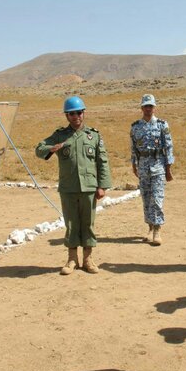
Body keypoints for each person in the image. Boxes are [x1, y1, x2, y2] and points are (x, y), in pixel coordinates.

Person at [35, 96, 112, 275]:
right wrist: (51, 149)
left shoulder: (94, 136)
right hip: (68, 188)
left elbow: (102, 161)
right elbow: (39, 149)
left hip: (89, 188)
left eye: (78, 112)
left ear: (83, 113)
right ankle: (72, 260)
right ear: (66, 116)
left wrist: (103, 186)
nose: (76, 116)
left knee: (88, 224)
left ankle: (88, 259)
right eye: (71, 113)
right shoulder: (60, 135)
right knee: (71, 224)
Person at [130, 94, 174, 245]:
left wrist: (168, 168)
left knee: (157, 198)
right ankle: (149, 228)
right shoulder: (135, 127)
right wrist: (134, 165)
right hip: (143, 166)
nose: (148, 109)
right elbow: (133, 148)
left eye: (151, 106)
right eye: (146, 106)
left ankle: (157, 229)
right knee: (146, 199)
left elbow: (168, 147)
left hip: (158, 165)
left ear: (154, 108)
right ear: (142, 108)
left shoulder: (162, 125)